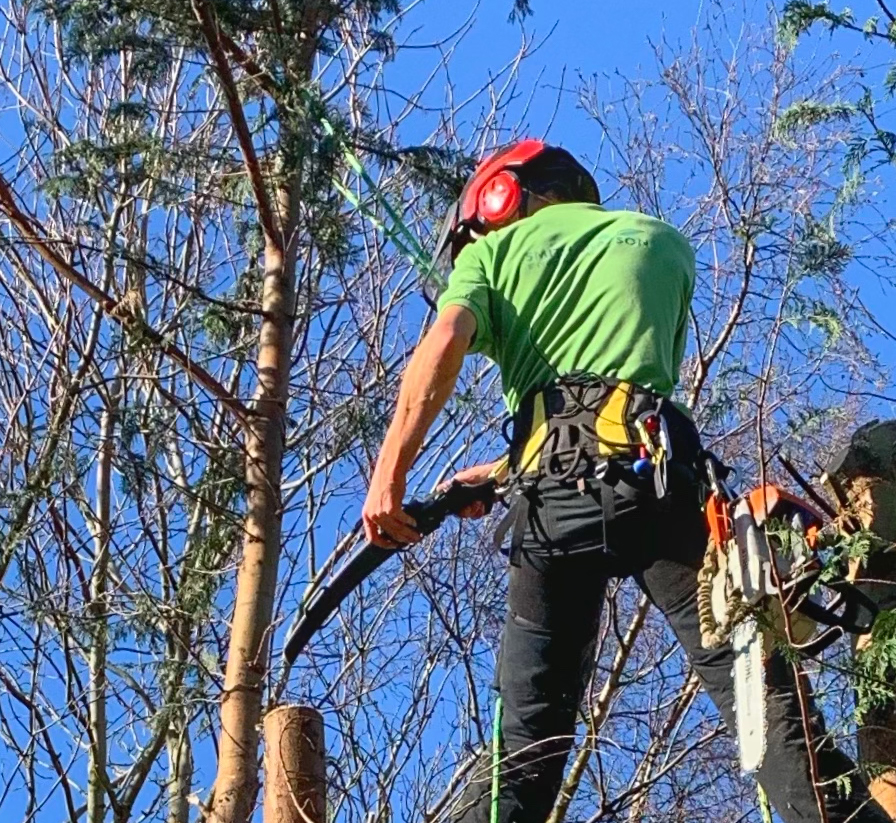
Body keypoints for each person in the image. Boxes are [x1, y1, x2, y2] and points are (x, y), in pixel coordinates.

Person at [361, 140, 890, 823]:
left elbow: (446, 342)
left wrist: (389, 474)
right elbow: (621, 394)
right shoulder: (660, 243)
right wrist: (499, 470)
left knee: (524, 751)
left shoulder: (492, 257)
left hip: (556, 507)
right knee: (773, 728)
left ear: (500, 201)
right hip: (664, 491)